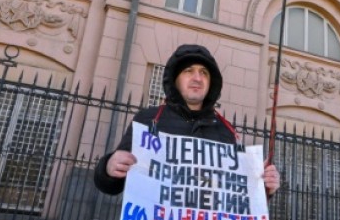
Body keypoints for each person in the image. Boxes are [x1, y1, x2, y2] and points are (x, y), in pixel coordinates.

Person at [94, 43, 281, 197]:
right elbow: (110, 186)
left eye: (204, 73)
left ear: (211, 83)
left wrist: (264, 187)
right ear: (175, 79)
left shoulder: (226, 131)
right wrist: (109, 167)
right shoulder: (149, 120)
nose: (197, 78)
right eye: (189, 71)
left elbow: (236, 195)